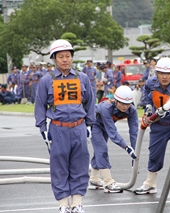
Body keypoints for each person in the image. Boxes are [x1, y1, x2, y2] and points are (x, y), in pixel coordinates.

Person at [34, 39, 95, 213]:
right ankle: (63, 204)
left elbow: (90, 102)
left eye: (68, 56)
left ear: (72, 57)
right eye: (61, 57)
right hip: (58, 128)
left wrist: (90, 124)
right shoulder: (46, 80)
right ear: (54, 59)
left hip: (79, 127)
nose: (65, 60)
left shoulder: (82, 78)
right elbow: (40, 105)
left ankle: (77, 203)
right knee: (59, 166)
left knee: (80, 165)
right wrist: (42, 128)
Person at [134, 57, 170, 199]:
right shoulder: (150, 83)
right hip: (157, 125)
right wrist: (148, 109)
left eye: (168, 74)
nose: (164, 77)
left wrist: (166, 113)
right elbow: (147, 96)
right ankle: (150, 184)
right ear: (157, 73)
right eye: (161, 73)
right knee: (154, 154)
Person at [88, 85, 138, 193]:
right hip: (94, 123)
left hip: (105, 126)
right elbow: (113, 133)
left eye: (128, 104)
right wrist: (126, 147)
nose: (125, 107)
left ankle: (94, 178)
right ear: (116, 100)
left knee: (99, 151)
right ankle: (108, 182)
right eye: (122, 103)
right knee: (102, 149)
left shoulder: (132, 110)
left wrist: (134, 151)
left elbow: (134, 132)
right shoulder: (106, 107)